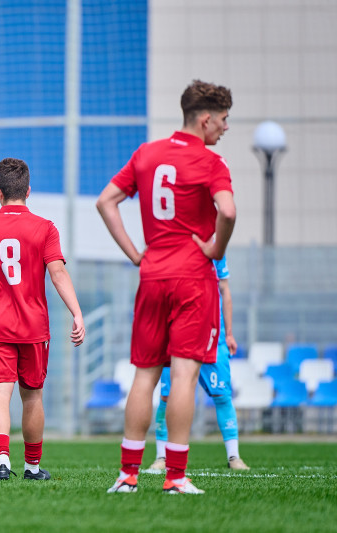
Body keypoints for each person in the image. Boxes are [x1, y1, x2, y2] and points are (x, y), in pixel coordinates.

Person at [97, 79, 236, 495]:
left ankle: (127, 476)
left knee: (144, 375)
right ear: (206, 119)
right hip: (194, 279)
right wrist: (215, 247)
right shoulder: (213, 163)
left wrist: (136, 254)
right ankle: (175, 477)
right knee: (184, 377)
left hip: (152, 275)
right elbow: (227, 210)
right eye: (224, 120)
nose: (225, 129)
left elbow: (105, 201)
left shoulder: (146, 153)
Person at [0, 157, 85, 481]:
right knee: (32, 395)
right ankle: (32, 468)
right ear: (28, 190)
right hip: (34, 327)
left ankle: (1, 463)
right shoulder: (45, 228)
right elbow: (58, 272)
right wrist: (76, 313)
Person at [149, 254, 249, 472]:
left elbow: (225, 291)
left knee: (222, 395)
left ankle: (234, 456)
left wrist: (229, 333)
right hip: (178, 335)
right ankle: (161, 457)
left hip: (215, 336)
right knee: (167, 395)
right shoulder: (174, 247)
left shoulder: (216, 250)